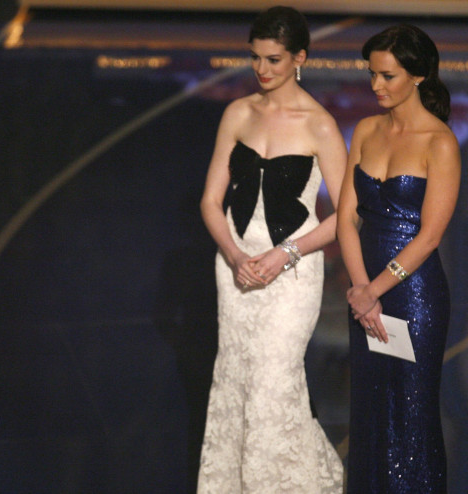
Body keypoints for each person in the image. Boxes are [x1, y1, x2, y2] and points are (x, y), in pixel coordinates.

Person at [197, 6, 346, 493]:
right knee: (237, 379)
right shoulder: (237, 113)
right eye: (256, 58)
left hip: (294, 271)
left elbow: (348, 216)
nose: (262, 70)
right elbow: (211, 201)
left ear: (299, 58)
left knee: (273, 385)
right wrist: (236, 256)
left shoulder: (320, 124)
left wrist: (285, 255)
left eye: (274, 60)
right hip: (236, 268)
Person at [337, 24, 459, 492]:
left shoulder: (439, 141)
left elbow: (430, 236)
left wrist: (374, 290)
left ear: (419, 75)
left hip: (413, 296)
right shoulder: (366, 129)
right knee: (368, 412)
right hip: (362, 292)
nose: (375, 86)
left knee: (410, 414)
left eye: (387, 76)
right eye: (372, 75)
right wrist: (359, 289)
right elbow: (347, 218)